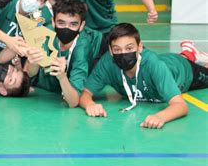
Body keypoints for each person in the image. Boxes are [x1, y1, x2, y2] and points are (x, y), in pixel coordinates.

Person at [79, 23, 208, 129]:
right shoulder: (107, 63)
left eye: (129, 48)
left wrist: (160, 117)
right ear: (111, 51)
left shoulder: (154, 65)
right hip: (164, 61)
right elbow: (85, 93)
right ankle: (188, 52)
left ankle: (190, 56)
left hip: (182, 70)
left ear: (140, 47)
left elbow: (181, 105)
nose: (123, 54)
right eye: (117, 49)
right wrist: (90, 105)